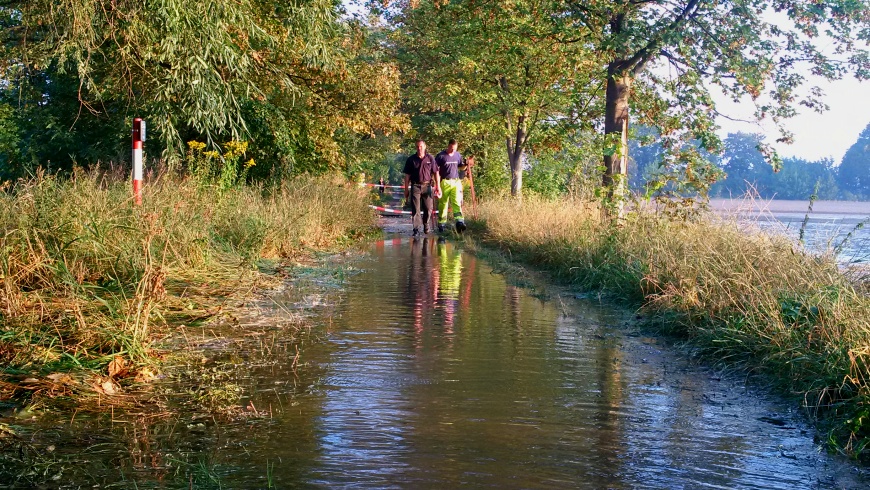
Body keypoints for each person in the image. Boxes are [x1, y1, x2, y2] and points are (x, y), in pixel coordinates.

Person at [403, 139, 441, 236]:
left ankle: (426, 224)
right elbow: (407, 176)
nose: (419, 148)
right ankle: (416, 229)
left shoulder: (430, 158)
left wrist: (438, 187)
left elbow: (436, 172)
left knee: (428, 208)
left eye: (421, 146)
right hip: (415, 186)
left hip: (427, 186)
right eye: (417, 147)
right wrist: (406, 189)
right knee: (416, 209)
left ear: (425, 147)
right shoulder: (411, 159)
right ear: (416, 148)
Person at [435, 139, 466, 233]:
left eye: (455, 149)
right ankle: (441, 223)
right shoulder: (441, 156)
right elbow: (435, 170)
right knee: (443, 203)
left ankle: (459, 222)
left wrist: (466, 165)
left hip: (456, 181)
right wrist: (436, 185)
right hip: (445, 181)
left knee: (456, 201)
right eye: (452, 149)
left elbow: (461, 166)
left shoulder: (458, 155)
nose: (453, 151)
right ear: (448, 146)